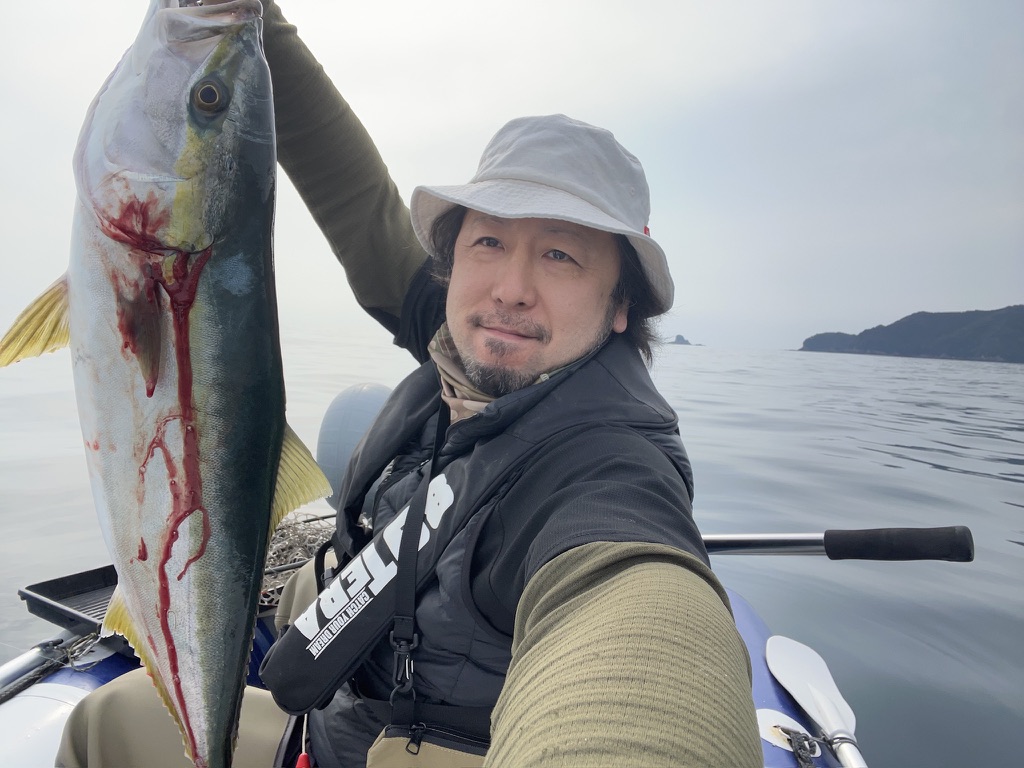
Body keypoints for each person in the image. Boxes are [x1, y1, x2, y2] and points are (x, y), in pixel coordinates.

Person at [57, 1, 762, 766]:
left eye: (561, 255)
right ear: (452, 264)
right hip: (332, 723)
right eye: (488, 240)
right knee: (106, 722)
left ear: (621, 304)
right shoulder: (466, 346)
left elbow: (641, 621)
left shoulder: (610, 476)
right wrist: (251, 23)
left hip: (424, 749)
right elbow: (355, 199)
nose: (512, 288)